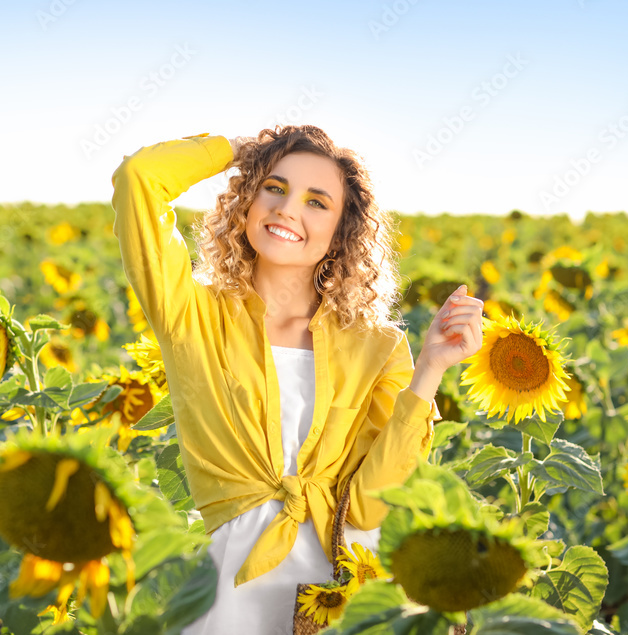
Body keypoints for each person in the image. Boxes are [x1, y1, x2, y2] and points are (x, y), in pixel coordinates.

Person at [110, 125, 484, 634]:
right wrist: (241, 150)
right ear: (247, 198)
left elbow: (372, 504)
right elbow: (138, 178)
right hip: (235, 587)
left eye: (316, 201)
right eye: (275, 187)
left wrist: (430, 370)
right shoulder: (190, 315)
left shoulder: (379, 345)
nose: (288, 209)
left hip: (343, 590)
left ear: (342, 231)